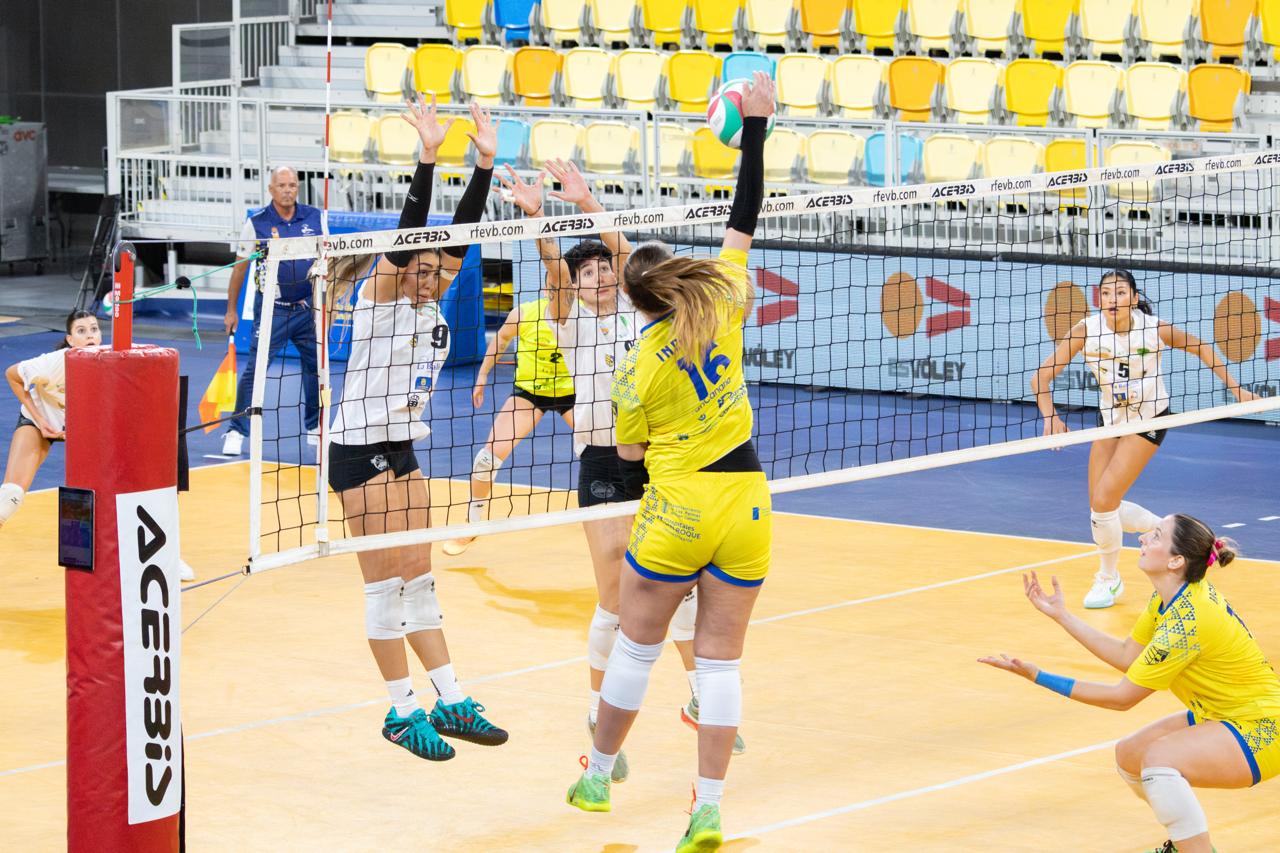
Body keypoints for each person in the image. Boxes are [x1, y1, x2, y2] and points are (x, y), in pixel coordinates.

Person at [566, 71, 776, 853]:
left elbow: (628, 452)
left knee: (636, 645)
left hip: (679, 504)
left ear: (633, 300)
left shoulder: (635, 367)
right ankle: (709, 807)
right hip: (747, 503)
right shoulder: (721, 302)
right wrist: (756, 129)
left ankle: (598, 774)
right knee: (718, 665)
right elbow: (744, 214)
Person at [495, 158, 737, 781]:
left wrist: (588, 203)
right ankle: (597, 710)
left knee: (679, 587)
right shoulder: (569, 320)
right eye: (588, 273)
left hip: (660, 462)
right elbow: (553, 272)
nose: (599, 276)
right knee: (614, 596)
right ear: (575, 287)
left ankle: (700, 697)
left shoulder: (641, 313)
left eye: (604, 269)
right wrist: (540, 220)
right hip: (603, 461)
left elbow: (630, 257)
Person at [325, 96, 507, 761]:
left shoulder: (433, 302)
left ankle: (450, 697)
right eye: (421, 269)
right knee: (384, 588)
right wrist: (428, 157)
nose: (431, 278)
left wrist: (483, 166)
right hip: (358, 448)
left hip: (402, 446)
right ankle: (401, 710)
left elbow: (458, 237)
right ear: (402, 268)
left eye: (437, 271)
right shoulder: (378, 301)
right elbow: (413, 233)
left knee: (419, 578)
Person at [980, 515, 1280, 853]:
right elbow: (1127, 656)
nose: (1143, 539)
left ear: (1176, 561)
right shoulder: (1169, 597)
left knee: (1159, 759)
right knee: (1130, 754)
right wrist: (1062, 615)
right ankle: (1187, 845)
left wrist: (1039, 676)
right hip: (1223, 712)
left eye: (1156, 536)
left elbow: (1121, 698)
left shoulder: (1187, 621)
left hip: (1262, 727)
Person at [1031, 269, 1257, 609]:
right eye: (1106, 293)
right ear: (1099, 300)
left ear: (1134, 298)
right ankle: (1182, 537)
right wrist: (1050, 416)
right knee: (1100, 507)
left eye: (1121, 293)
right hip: (1110, 419)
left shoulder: (1153, 329)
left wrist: (1237, 390)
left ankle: (1108, 578)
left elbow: (1199, 346)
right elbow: (1041, 378)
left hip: (1148, 418)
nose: (1113, 300)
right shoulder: (1086, 331)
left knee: (1104, 501)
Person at [440, 291, 576, 556]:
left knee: (612, 449)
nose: (558, 294)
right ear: (545, 291)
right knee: (486, 460)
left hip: (575, 394)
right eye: (553, 288)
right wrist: (482, 376)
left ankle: (627, 511)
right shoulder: (524, 314)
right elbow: (501, 339)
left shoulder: (585, 313)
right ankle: (473, 523)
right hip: (529, 394)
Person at [220, 165, 323, 456]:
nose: (288, 190)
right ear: (271, 189)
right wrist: (231, 310)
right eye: (282, 185)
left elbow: (327, 259)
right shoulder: (257, 224)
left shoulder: (315, 217)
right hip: (272, 311)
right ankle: (237, 430)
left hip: (307, 310)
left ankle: (314, 427)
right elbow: (239, 270)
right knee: (255, 370)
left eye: (292, 185)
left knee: (316, 369)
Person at [1, 311, 100, 529]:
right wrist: (40, 420)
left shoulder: (110, 363)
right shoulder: (53, 363)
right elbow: (11, 374)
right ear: (70, 340)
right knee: (10, 497)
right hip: (41, 424)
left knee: (104, 495)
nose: (90, 335)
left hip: (83, 430)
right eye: (81, 331)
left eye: (94, 329)